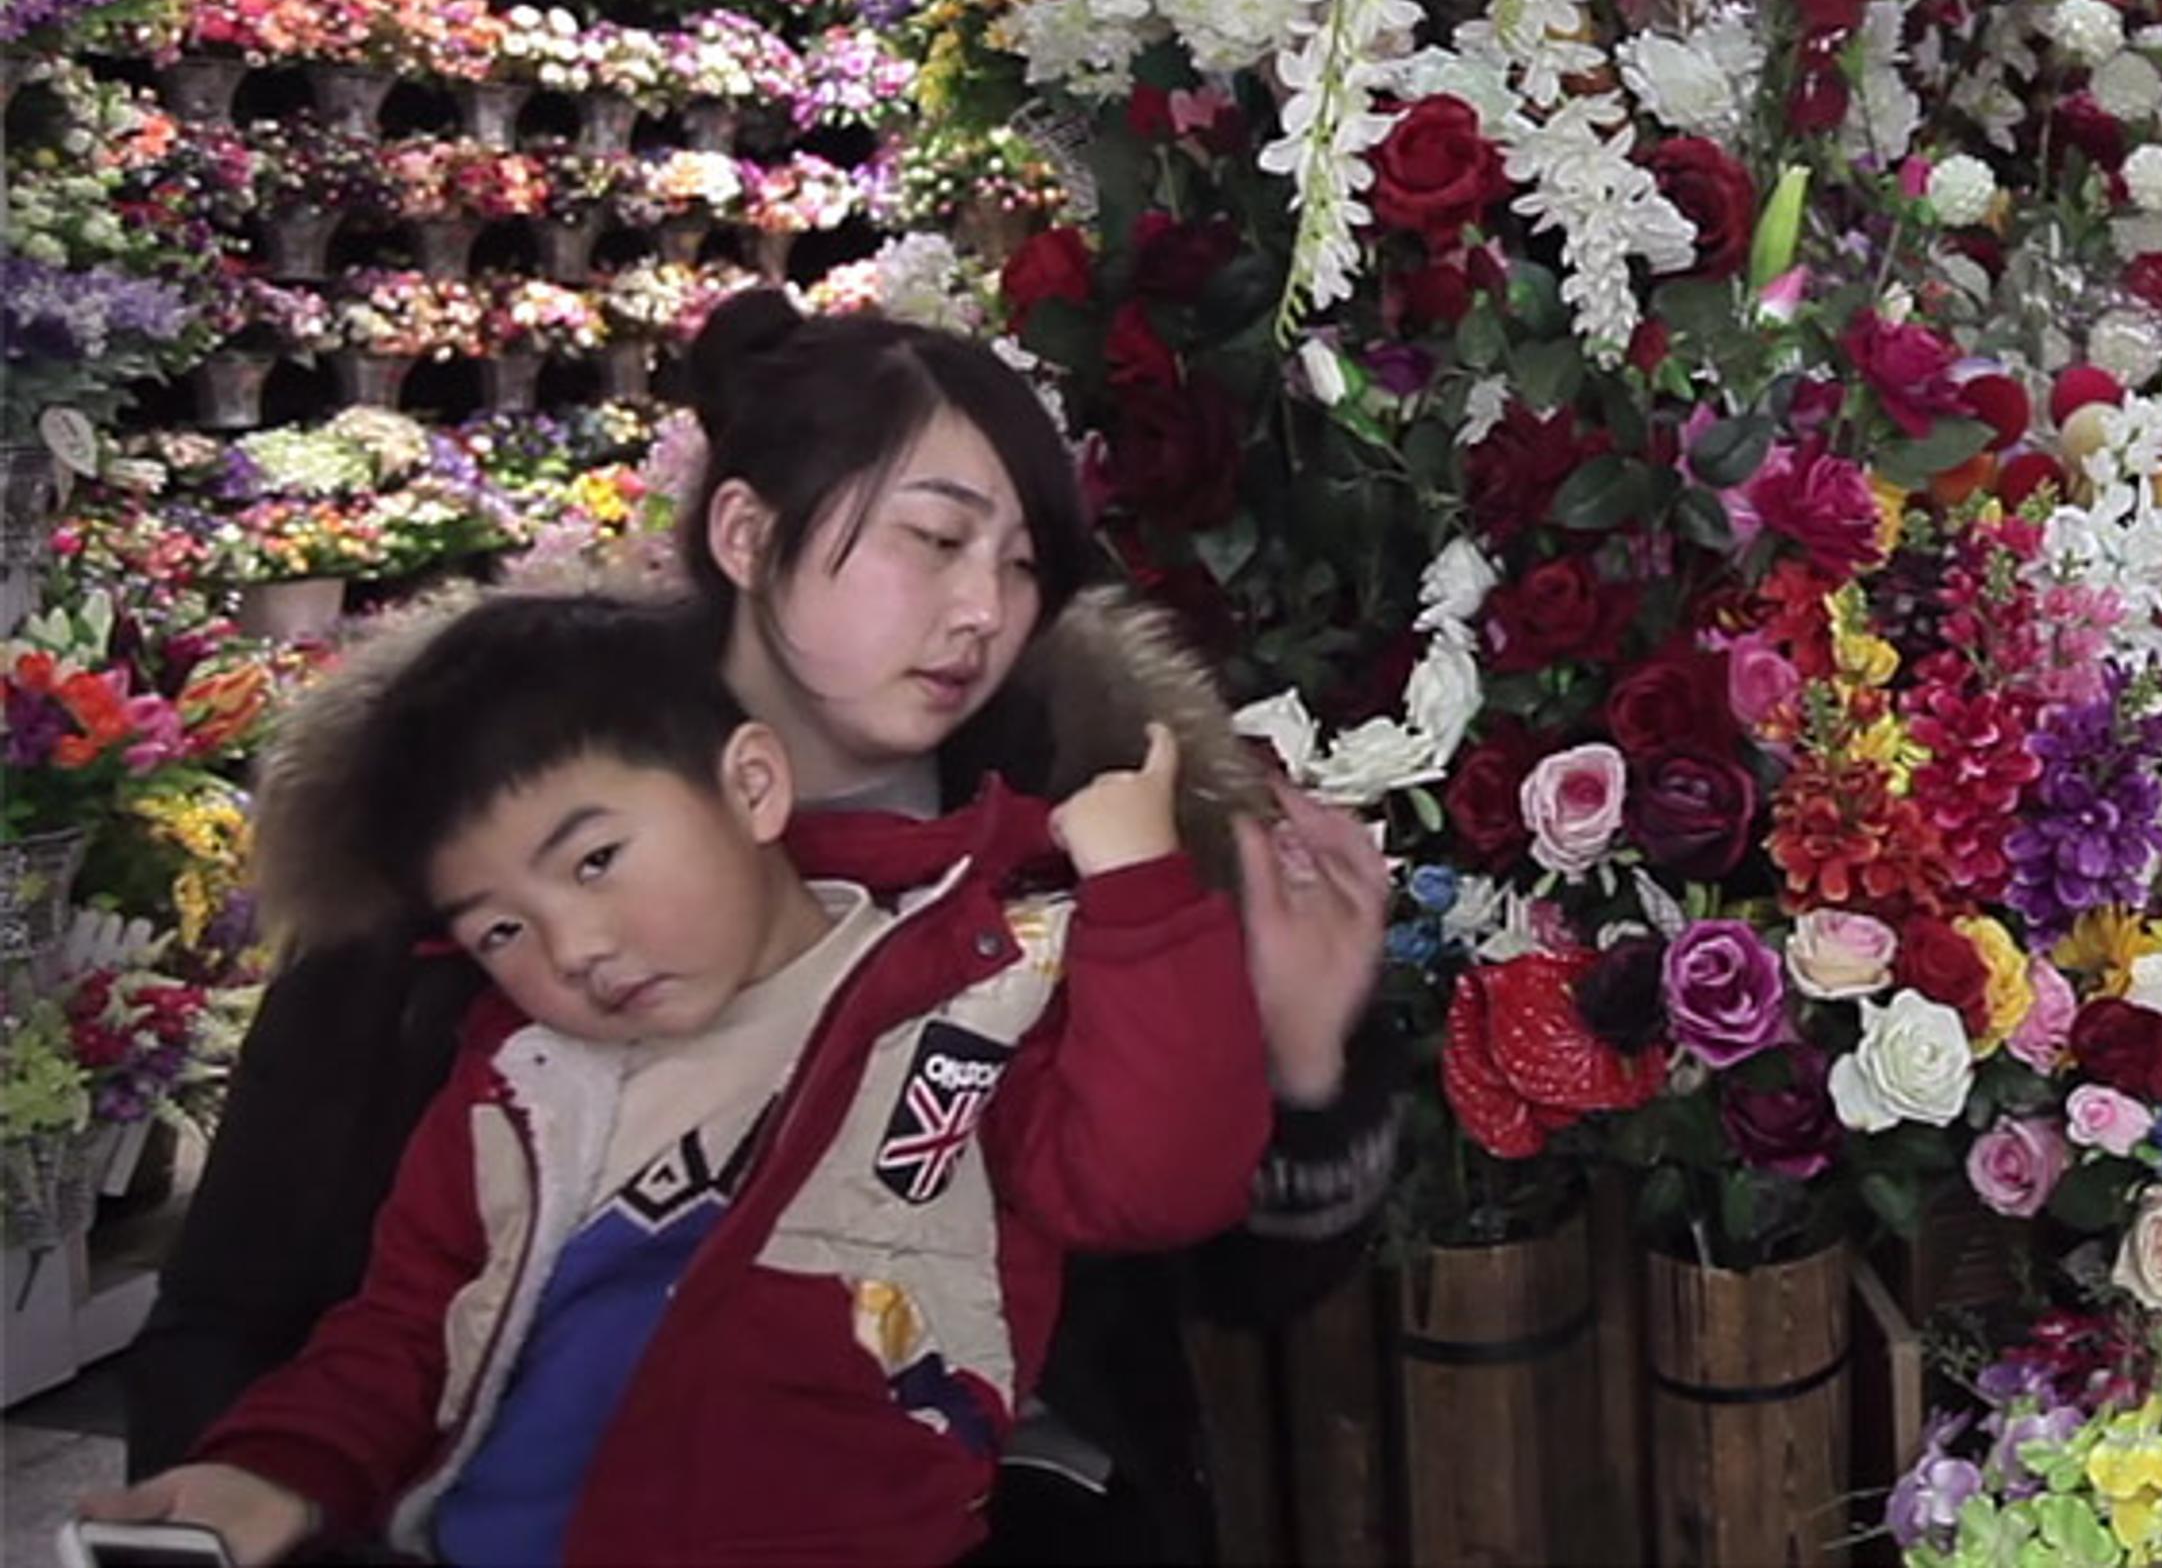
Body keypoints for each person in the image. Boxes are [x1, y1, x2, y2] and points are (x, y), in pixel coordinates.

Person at [128, 292, 1401, 1560]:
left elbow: (1224, 1276)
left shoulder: (1100, 843)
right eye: (934, 538)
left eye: (1022, 565)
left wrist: (1301, 1064)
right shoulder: (478, 839)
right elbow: (232, 1318)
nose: (983, 611)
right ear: (746, 530)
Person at [90, 590, 1272, 1563]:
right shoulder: (521, 1083)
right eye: (501, 928)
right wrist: (271, 1467)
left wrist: (1141, 890)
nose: (574, 948)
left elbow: (1155, 1182)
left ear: (753, 785)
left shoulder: (967, 999)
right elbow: (406, 1331)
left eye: (597, 858)